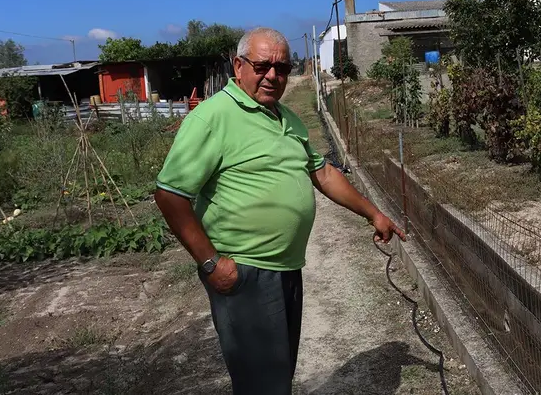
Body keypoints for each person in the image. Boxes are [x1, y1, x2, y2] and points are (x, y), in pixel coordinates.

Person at [153, 27, 406, 394]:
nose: (273, 76)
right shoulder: (212, 117)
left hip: (286, 269)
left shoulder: (285, 116)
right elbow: (170, 194)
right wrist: (211, 263)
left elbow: (322, 171)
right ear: (238, 66)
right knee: (262, 384)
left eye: (282, 68)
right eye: (262, 66)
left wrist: (373, 214)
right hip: (246, 274)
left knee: (277, 376)